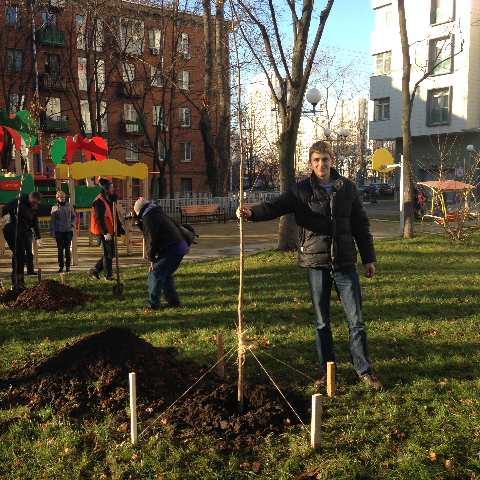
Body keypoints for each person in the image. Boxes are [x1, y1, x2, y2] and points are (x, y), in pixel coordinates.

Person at [236, 141, 383, 391]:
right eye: (316, 160)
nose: (321, 164)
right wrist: (252, 213)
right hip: (316, 262)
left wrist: (369, 258)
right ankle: (327, 370)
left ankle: (364, 370)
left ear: (332, 161)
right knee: (322, 322)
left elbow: (361, 224)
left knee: (356, 320)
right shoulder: (300, 191)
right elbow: (274, 206)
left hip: (346, 263)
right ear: (310, 164)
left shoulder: (347, 188)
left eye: (325, 159)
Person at [133, 197, 189, 311]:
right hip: (179, 247)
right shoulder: (156, 213)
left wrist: (152, 259)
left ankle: (152, 305)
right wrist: (139, 223)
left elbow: (151, 239)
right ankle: (174, 303)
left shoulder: (148, 218)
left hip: (172, 248)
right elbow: (152, 231)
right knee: (166, 274)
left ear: (139, 211)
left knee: (155, 273)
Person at [2, 191, 44, 292]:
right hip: (12, 231)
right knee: (18, 255)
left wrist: (38, 237)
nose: (34, 205)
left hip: (23, 232)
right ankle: (15, 283)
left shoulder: (34, 208)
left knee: (21, 257)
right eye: (33, 202)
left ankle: (20, 282)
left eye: (37, 203)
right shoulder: (18, 201)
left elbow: (34, 223)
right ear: (29, 197)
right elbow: (4, 209)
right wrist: (1, 217)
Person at [88, 178, 124, 282]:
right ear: (105, 189)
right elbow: (99, 219)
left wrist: (119, 228)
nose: (113, 189)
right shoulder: (99, 202)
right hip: (100, 231)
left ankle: (94, 270)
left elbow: (114, 216)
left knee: (111, 253)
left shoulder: (110, 199)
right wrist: (105, 233)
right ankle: (108, 277)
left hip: (110, 230)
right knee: (108, 253)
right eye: (111, 187)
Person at [50, 190, 77, 272]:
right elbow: (53, 221)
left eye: (63, 197)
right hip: (59, 230)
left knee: (68, 249)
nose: (62, 199)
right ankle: (61, 266)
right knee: (60, 250)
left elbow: (74, 216)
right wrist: (52, 232)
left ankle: (68, 266)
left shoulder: (69, 206)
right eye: (61, 198)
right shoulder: (54, 208)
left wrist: (72, 224)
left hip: (68, 230)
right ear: (57, 198)